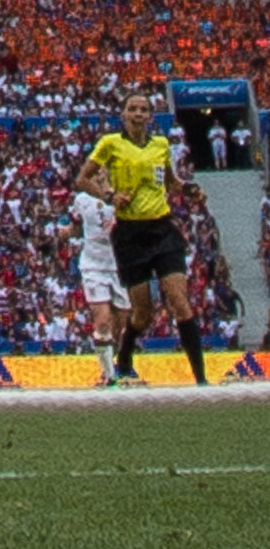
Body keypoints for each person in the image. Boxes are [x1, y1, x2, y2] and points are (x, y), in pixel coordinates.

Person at [90, 89, 205, 383]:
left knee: (180, 300)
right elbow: (84, 177)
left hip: (162, 228)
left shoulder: (161, 145)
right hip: (130, 234)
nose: (139, 114)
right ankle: (125, 357)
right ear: (124, 114)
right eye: (133, 109)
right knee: (142, 314)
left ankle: (201, 380)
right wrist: (109, 194)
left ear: (150, 116)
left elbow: (170, 182)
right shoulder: (110, 144)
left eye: (144, 109)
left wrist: (189, 188)